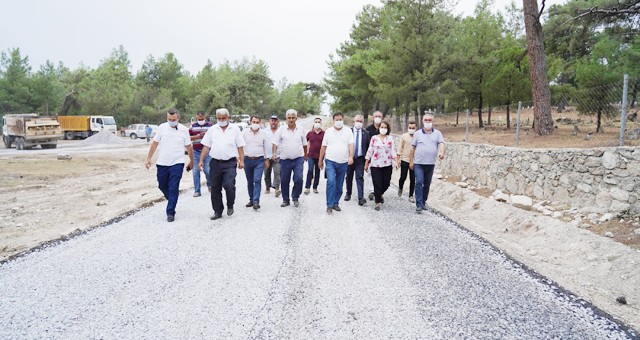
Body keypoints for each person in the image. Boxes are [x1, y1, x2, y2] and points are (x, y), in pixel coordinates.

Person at [145, 108, 194, 222]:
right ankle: (172, 199)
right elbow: (155, 143)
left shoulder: (183, 130)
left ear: (178, 118)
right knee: (162, 185)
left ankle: (170, 212)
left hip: (177, 163)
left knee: (173, 187)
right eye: (169, 119)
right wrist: (148, 158)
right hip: (162, 163)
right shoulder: (162, 127)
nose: (171, 121)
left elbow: (189, 147)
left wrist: (192, 161)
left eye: (173, 119)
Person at [199, 108, 246, 220]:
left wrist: (242, 160)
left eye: (223, 118)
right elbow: (206, 146)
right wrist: (201, 160)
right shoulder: (212, 129)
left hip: (229, 163)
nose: (221, 120)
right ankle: (217, 211)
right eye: (219, 118)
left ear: (228, 117)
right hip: (215, 162)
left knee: (229, 185)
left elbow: (240, 146)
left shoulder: (234, 129)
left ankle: (230, 205)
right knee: (215, 188)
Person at [410, 113, 446, 214]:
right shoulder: (417, 134)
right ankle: (418, 204)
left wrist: (441, 152)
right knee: (419, 181)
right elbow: (412, 148)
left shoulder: (438, 133)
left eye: (429, 120)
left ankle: (423, 202)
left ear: (433, 121)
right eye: (426, 120)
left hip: (430, 163)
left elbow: (441, 144)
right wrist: (411, 161)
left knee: (427, 184)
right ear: (422, 121)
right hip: (419, 163)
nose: (428, 122)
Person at [318, 112, 354, 214]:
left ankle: (335, 203)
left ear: (343, 120)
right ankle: (329, 205)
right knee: (331, 182)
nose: (338, 121)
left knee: (339, 185)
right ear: (333, 120)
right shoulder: (328, 132)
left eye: (340, 120)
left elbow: (351, 144)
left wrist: (350, 156)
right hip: (330, 161)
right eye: (336, 120)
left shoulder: (348, 131)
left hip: (343, 162)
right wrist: (320, 160)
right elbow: (323, 146)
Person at [272, 109, 307, 207]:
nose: (291, 120)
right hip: (285, 159)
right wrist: (274, 153)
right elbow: (275, 142)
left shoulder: (301, 129)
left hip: (298, 159)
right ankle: (285, 200)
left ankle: (295, 197)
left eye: (293, 118)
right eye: (289, 118)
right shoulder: (281, 130)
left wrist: (305, 155)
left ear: (296, 118)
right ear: (286, 118)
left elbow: (305, 144)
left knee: (299, 179)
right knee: (284, 180)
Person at [365, 121, 397, 211]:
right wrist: (367, 161)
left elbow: (393, 150)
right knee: (377, 183)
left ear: (388, 129)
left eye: (385, 127)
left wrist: (396, 160)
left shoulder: (390, 139)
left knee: (386, 183)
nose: (383, 129)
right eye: (381, 127)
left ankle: (380, 194)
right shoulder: (374, 138)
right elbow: (370, 150)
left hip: (387, 164)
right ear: (379, 128)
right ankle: (377, 202)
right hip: (375, 164)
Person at [243, 116, 270, 210]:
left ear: (260, 122)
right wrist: (240, 159)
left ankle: (256, 201)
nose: (255, 124)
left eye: (257, 122)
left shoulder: (264, 134)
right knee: (249, 181)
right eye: (253, 122)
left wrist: (267, 159)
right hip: (247, 159)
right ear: (250, 122)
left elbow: (266, 147)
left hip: (259, 160)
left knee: (257, 180)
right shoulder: (244, 133)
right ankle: (251, 199)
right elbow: (240, 146)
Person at [344, 114, 370, 206]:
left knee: (359, 177)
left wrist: (367, 160)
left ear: (363, 122)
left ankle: (360, 197)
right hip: (350, 158)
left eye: (361, 121)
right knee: (349, 177)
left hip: (360, 159)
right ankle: (348, 193)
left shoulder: (366, 133)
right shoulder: (348, 132)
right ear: (354, 122)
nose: (359, 123)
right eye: (357, 121)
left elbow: (368, 147)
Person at [189, 112, 213, 197]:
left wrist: (206, 136)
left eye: (202, 119)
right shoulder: (192, 126)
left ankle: (210, 185)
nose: (200, 120)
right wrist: (198, 136)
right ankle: (197, 190)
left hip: (208, 152)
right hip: (196, 151)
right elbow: (187, 137)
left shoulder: (210, 126)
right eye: (198, 119)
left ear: (205, 117)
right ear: (196, 118)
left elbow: (213, 137)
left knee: (207, 170)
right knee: (195, 171)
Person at [365, 110, 384, 201]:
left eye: (379, 116)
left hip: (383, 157)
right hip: (371, 156)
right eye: (376, 116)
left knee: (381, 175)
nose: (378, 118)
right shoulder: (368, 130)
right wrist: (367, 159)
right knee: (370, 174)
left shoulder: (384, 129)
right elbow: (366, 144)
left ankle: (380, 191)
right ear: (372, 117)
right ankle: (372, 191)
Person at [396, 121, 417, 203]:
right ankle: (400, 187)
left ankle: (411, 195)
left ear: (416, 128)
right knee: (403, 177)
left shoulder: (417, 136)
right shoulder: (404, 136)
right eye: (410, 128)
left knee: (413, 179)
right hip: (404, 160)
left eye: (413, 128)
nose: (411, 129)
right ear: (408, 128)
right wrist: (398, 159)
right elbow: (399, 148)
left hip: (414, 161)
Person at [305, 117, 324, 195]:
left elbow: (325, 145)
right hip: (311, 155)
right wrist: (305, 153)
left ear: (321, 123)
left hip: (319, 156)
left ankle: (315, 187)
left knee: (317, 171)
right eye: (316, 122)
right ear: (313, 123)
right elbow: (305, 144)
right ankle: (307, 187)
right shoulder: (310, 133)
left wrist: (322, 157)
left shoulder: (324, 134)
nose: (317, 123)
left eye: (319, 122)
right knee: (310, 170)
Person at [264, 115, 281, 197]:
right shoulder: (265, 131)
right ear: (269, 121)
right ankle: (267, 187)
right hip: (267, 155)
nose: (273, 122)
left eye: (275, 120)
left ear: (278, 122)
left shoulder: (280, 131)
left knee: (277, 172)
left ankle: (277, 188)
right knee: (267, 172)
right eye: (272, 120)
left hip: (278, 155)